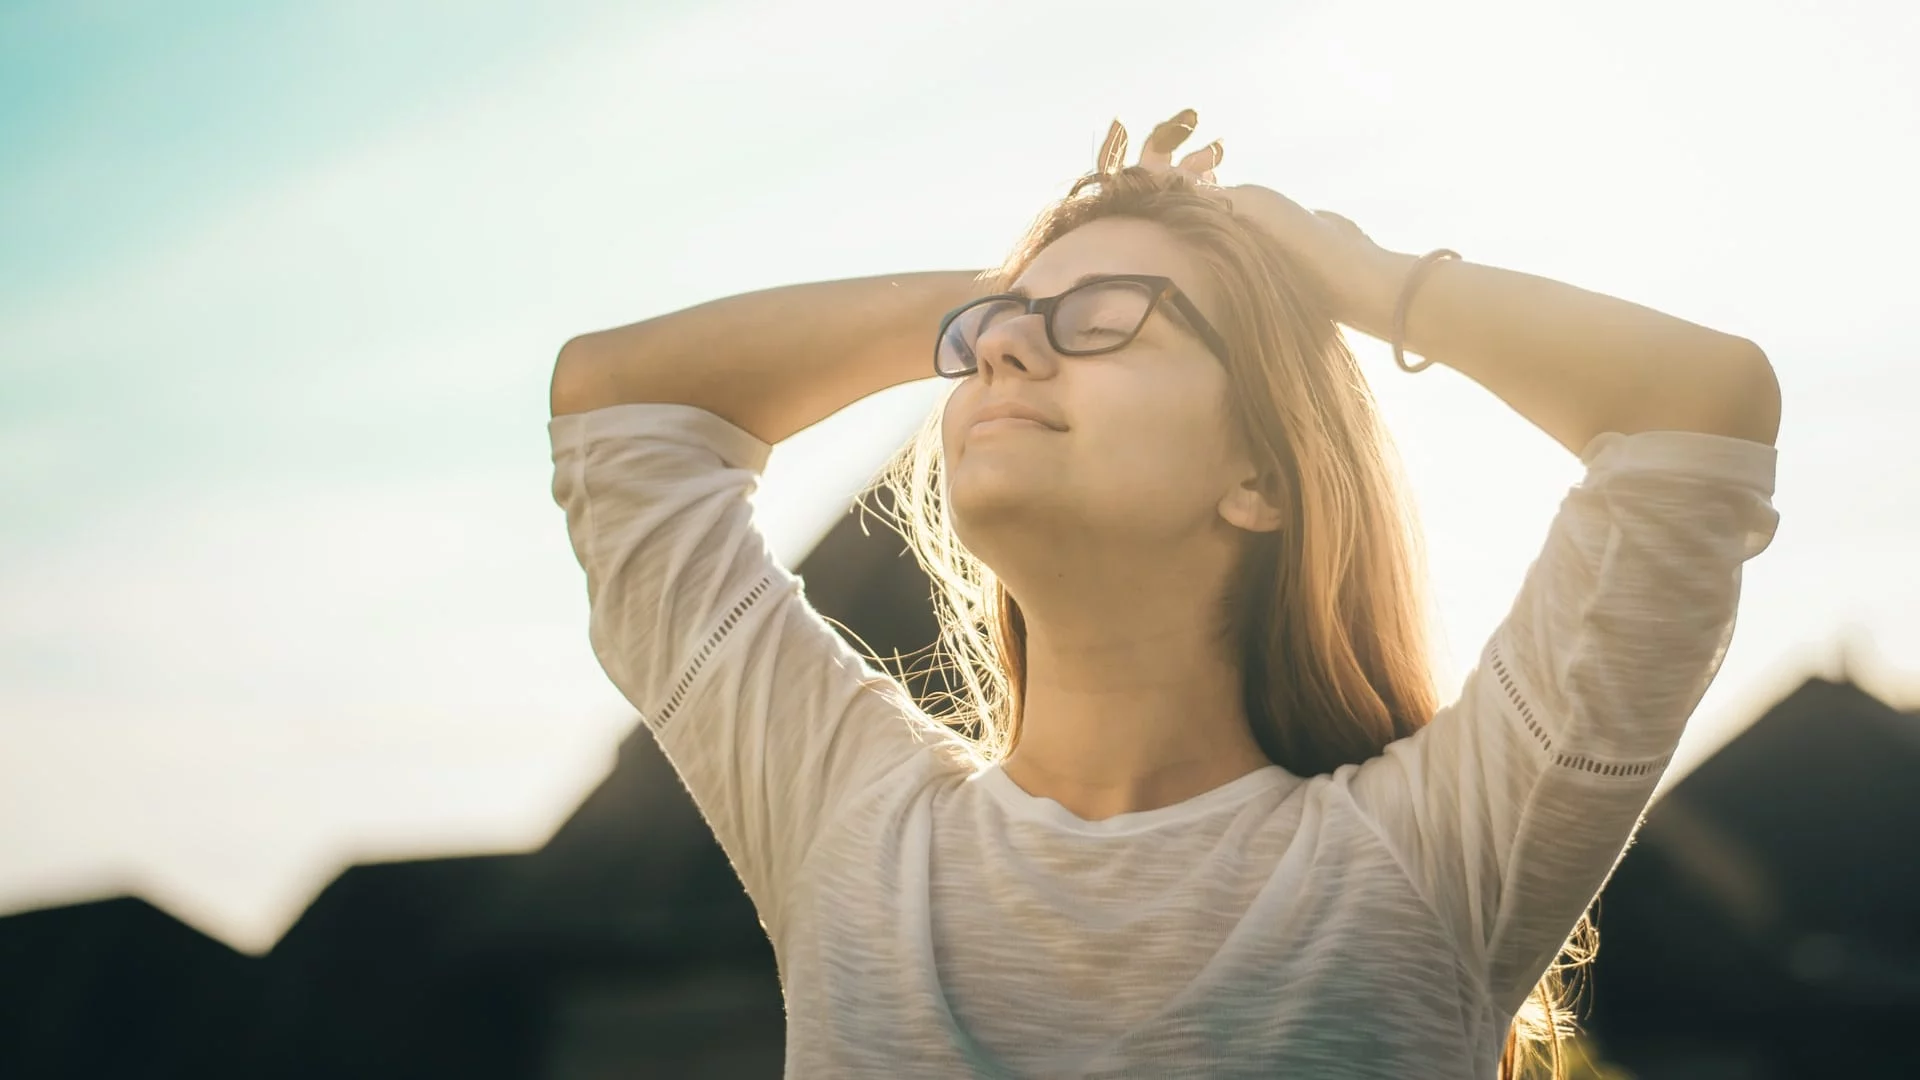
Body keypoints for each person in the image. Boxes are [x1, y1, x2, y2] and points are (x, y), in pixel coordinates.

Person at [547, 109, 1781, 1079]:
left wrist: (1353, 275)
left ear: (1261, 475)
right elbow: (618, 403)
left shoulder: (1433, 854)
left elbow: (1697, 410)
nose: (1006, 349)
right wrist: (1006, 289)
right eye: (990, 336)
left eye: (1107, 323)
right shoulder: (849, 825)